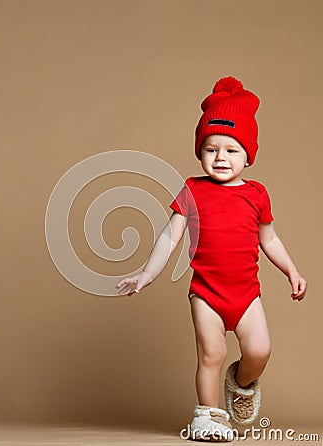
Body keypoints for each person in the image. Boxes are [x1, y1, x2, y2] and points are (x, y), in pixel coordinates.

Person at [115, 77, 307, 441]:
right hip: (206, 292)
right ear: (200, 152)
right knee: (211, 355)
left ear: (248, 155)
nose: (220, 158)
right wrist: (147, 273)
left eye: (232, 150)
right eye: (211, 149)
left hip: (246, 292)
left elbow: (270, 238)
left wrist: (291, 271)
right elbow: (170, 235)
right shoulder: (193, 190)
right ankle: (208, 417)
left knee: (259, 350)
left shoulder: (256, 194)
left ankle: (242, 383)